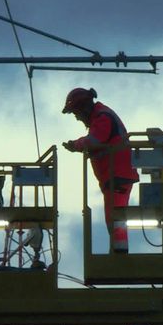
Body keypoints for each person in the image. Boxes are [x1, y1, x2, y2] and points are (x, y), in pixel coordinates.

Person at [61, 88, 139, 253]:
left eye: (76, 113)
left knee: (115, 217)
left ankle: (119, 254)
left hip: (117, 175)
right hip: (114, 176)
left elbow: (94, 141)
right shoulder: (101, 117)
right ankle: (117, 250)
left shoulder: (103, 118)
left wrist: (75, 145)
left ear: (84, 108)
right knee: (113, 216)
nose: (77, 118)